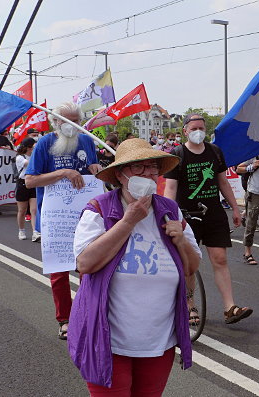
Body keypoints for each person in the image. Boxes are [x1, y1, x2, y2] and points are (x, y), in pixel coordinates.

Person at [68, 138, 201, 394]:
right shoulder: (100, 210)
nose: (147, 174)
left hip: (158, 342)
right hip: (107, 342)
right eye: (138, 167)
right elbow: (85, 263)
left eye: (152, 167)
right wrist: (127, 222)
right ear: (120, 174)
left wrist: (181, 241)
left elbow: (191, 266)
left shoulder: (170, 210)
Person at [164, 114, 253, 324]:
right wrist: (170, 217)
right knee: (189, 265)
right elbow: (170, 188)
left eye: (202, 128)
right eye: (194, 128)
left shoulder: (215, 152)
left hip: (213, 213)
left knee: (220, 259)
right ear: (185, 130)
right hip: (186, 216)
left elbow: (223, 182)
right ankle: (189, 305)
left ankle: (229, 307)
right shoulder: (177, 154)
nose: (198, 132)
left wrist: (235, 208)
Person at [24, 102, 101, 340]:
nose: (72, 126)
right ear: (55, 122)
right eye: (66, 121)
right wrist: (63, 173)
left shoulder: (87, 141)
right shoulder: (45, 144)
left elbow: (93, 172)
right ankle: (65, 319)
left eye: (76, 121)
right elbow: (30, 181)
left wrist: (96, 168)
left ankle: (91, 314)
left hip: (85, 218)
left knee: (90, 268)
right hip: (56, 220)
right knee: (59, 271)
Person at [14, 137, 38, 241]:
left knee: (34, 210)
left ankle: (35, 232)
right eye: (34, 146)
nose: (35, 147)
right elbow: (31, 164)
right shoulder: (20, 157)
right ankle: (21, 230)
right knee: (22, 210)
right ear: (29, 147)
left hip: (33, 183)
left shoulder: (34, 155)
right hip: (22, 184)